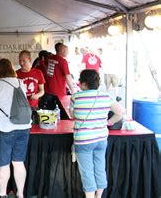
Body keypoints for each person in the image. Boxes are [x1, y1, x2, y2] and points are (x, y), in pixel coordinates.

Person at [0, 59, 31, 198]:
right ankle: (20, 194)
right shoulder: (20, 82)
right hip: (23, 127)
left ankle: (2, 194)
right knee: (18, 162)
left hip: (3, 128)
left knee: (4, 164)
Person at [70, 69, 123, 198]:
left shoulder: (75, 97)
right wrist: (108, 122)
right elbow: (120, 113)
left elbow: (72, 115)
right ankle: (98, 196)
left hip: (83, 140)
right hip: (101, 139)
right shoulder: (106, 96)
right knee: (100, 168)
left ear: (83, 84)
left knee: (87, 171)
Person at [43, 43, 76, 109]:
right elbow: (67, 76)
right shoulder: (63, 61)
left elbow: (45, 66)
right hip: (59, 92)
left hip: (48, 90)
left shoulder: (49, 58)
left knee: (50, 111)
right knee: (59, 113)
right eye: (67, 50)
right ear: (62, 50)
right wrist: (73, 90)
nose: (68, 52)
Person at [16, 50, 45, 122]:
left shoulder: (38, 72)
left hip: (34, 106)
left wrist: (37, 95)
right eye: (20, 61)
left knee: (34, 129)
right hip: (20, 107)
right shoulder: (15, 74)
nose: (21, 63)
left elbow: (42, 90)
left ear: (29, 60)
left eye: (23, 61)